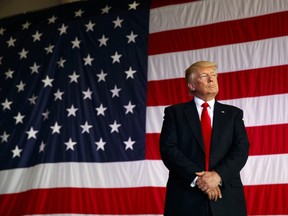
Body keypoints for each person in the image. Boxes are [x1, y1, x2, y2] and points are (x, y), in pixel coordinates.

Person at [159, 61, 250, 216]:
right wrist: (200, 180)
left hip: (226, 196)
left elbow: (241, 149)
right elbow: (169, 149)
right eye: (204, 76)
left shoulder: (233, 114)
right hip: (185, 197)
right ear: (192, 85)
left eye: (214, 75)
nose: (211, 79)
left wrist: (217, 176)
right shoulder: (174, 113)